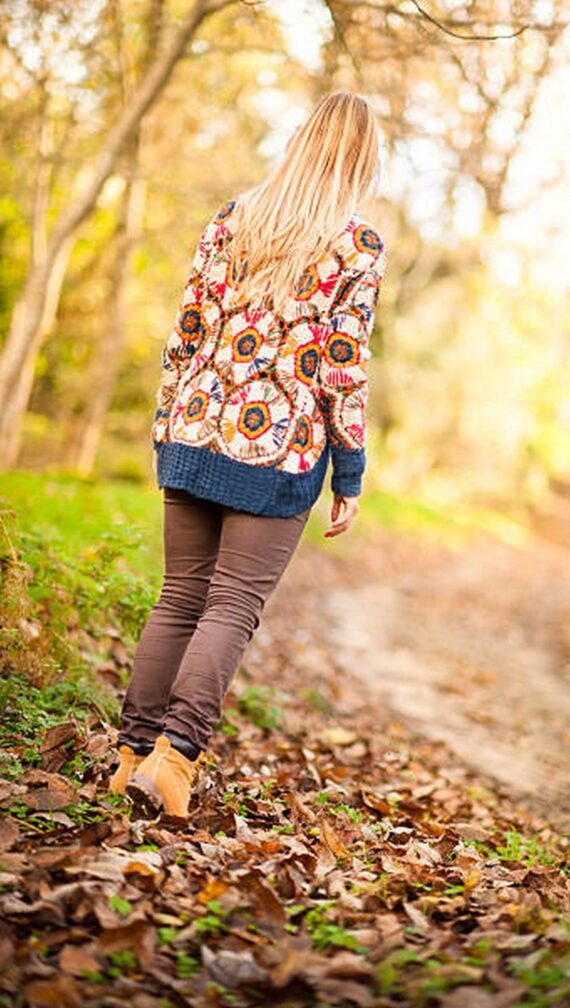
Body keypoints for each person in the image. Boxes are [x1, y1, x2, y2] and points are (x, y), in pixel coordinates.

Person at [108, 91, 388, 819]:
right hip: (277, 449)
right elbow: (342, 367)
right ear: (363, 160)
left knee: (178, 598)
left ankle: (129, 755)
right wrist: (349, 474)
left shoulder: (233, 217)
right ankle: (173, 764)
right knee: (231, 604)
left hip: (195, 429)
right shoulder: (354, 245)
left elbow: (187, 330)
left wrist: (168, 422)